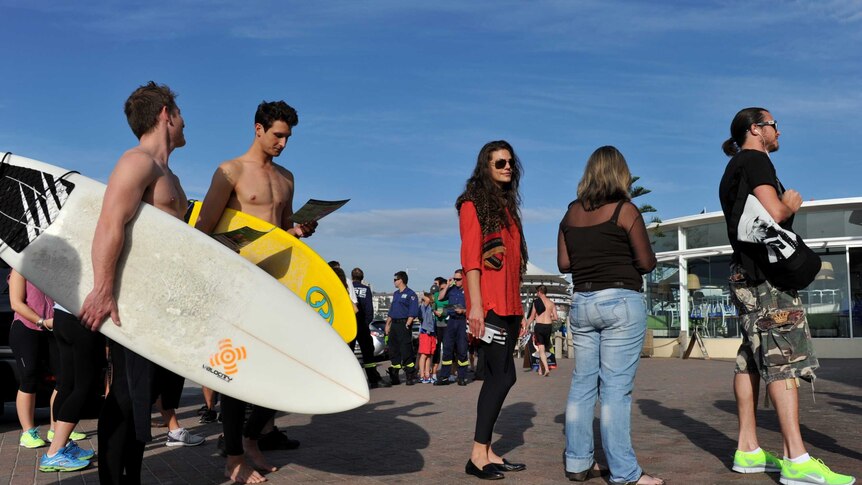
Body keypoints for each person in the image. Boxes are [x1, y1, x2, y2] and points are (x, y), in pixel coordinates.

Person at [719, 107, 855, 485]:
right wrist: (791, 204)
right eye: (774, 125)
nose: (779, 132)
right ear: (756, 129)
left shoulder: (732, 169)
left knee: (750, 356)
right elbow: (774, 212)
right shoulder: (755, 161)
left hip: (743, 274)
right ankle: (797, 458)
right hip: (767, 280)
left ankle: (747, 450)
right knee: (784, 359)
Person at [196, 100, 313, 483]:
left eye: (288, 137)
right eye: (278, 135)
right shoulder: (229, 171)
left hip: (274, 285)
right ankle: (233, 457)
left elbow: (282, 228)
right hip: (235, 284)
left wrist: (300, 229)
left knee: (284, 370)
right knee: (235, 375)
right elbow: (202, 232)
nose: (283, 143)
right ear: (258, 129)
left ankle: (249, 439)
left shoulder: (286, 178)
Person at [79, 81, 190, 485]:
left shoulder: (168, 173)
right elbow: (110, 223)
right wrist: (104, 289)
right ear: (166, 113)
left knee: (142, 400)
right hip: (133, 301)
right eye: (180, 115)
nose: (184, 122)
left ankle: (132, 478)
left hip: (161, 303)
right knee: (125, 399)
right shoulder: (137, 161)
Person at [557, 145, 661, 485]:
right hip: (619, 300)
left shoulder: (570, 214)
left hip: (582, 303)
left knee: (583, 384)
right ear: (620, 174)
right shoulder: (626, 210)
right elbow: (646, 263)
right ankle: (625, 473)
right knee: (616, 390)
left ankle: (577, 463)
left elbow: (564, 264)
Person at [456, 140, 529, 480]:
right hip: (490, 304)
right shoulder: (473, 204)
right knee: (501, 376)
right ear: (485, 166)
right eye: (499, 163)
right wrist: (474, 307)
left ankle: (487, 450)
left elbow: (514, 263)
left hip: (510, 303)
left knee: (505, 375)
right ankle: (476, 454)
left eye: (510, 162)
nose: (507, 167)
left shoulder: (506, 207)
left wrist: (523, 311)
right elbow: (471, 260)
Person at [8, 271, 87, 470]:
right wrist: (41, 321)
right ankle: (28, 432)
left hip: (54, 328)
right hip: (27, 327)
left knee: (63, 380)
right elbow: (16, 303)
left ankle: (55, 429)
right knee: (29, 379)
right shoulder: (20, 267)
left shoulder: (53, 266)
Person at [42, 303, 104, 471]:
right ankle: (54, 452)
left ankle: (62, 444)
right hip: (82, 316)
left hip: (61, 315)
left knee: (67, 385)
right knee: (83, 387)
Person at [351, 267, 389, 388]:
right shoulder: (365, 289)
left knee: (349, 353)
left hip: (350, 325)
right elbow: (369, 309)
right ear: (362, 278)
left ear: (352, 277)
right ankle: (373, 379)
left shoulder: (347, 288)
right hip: (362, 325)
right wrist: (366, 323)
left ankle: (349, 381)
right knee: (368, 354)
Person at [434, 269, 469, 386]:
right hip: (451, 322)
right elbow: (440, 298)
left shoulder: (469, 291)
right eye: (454, 278)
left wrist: (464, 311)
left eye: (458, 279)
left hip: (462, 322)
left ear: (463, 279)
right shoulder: (451, 289)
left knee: (462, 350)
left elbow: (474, 307)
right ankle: (444, 377)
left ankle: (462, 377)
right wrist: (448, 284)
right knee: (447, 350)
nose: (456, 281)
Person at [384, 270, 419, 386]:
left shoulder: (411, 294)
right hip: (394, 324)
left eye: (395, 279)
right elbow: (392, 311)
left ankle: (410, 375)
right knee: (393, 350)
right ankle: (394, 376)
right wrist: (387, 324)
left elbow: (413, 311)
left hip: (404, 324)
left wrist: (407, 324)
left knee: (406, 350)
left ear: (401, 280)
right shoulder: (396, 294)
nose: (394, 281)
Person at [526, 285, 557, 377]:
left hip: (539, 326)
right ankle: (540, 369)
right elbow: (556, 317)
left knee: (541, 349)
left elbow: (532, 317)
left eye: (537, 292)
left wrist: (526, 326)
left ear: (539, 292)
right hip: (548, 326)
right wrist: (548, 316)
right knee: (543, 349)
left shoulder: (536, 302)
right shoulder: (551, 303)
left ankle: (546, 369)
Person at [417, 292, 438, 383]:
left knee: (429, 355)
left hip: (432, 334)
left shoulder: (431, 309)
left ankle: (427, 374)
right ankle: (422, 375)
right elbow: (427, 300)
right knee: (424, 355)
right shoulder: (424, 307)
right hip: (425, 333)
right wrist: (425, 296)